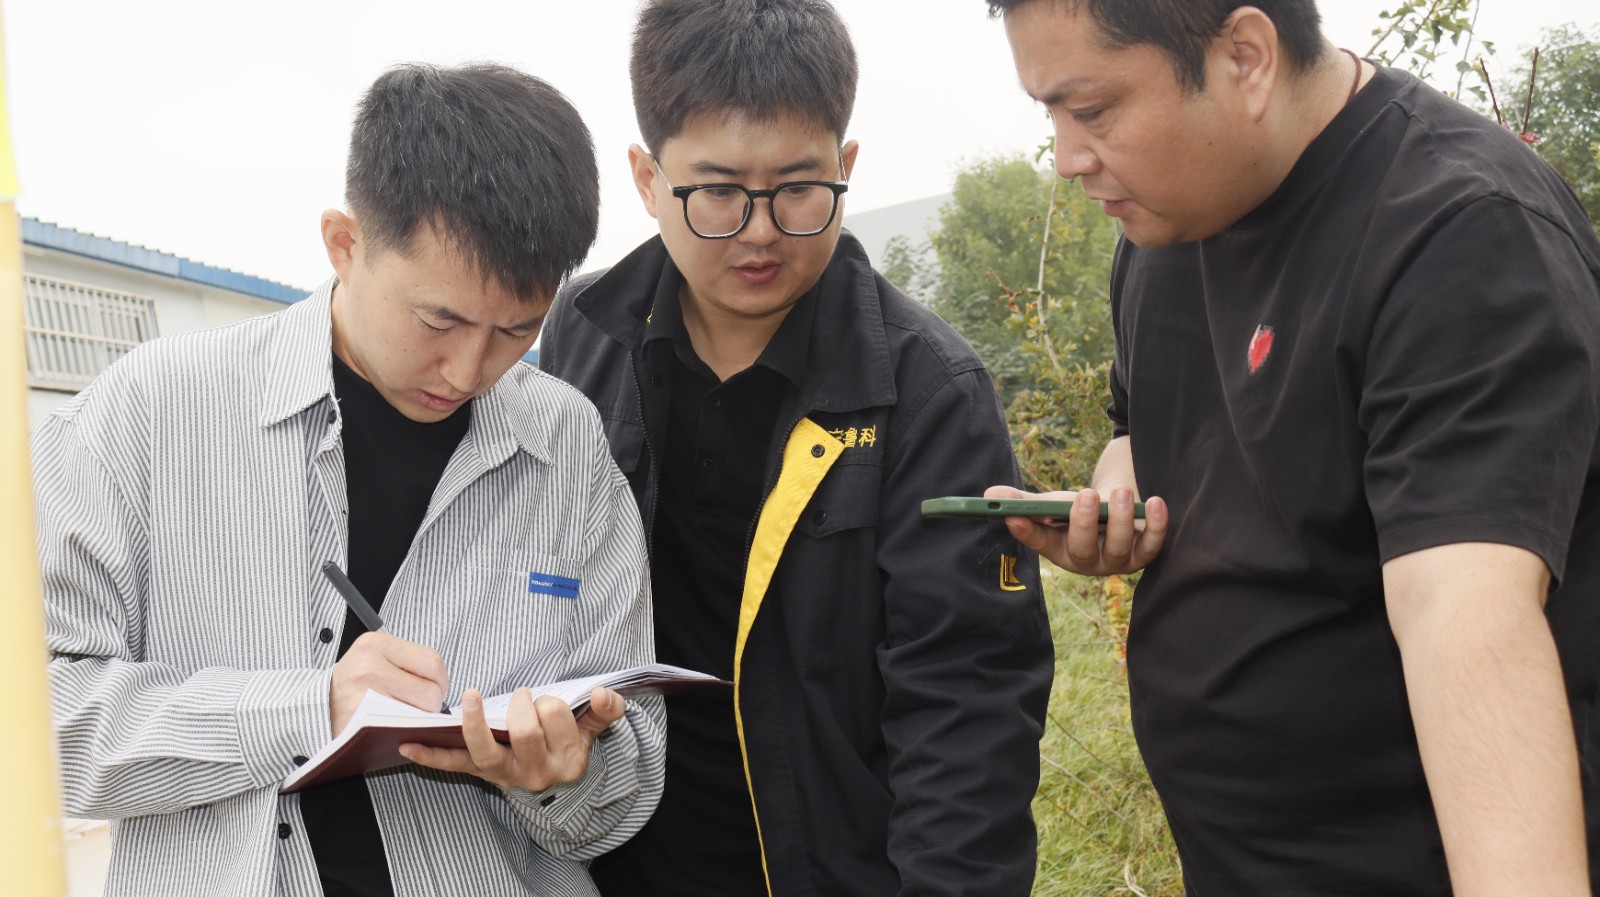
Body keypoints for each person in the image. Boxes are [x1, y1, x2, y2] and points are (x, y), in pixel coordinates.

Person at [980, 0, 1600, 893]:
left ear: (1245, 56)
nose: (1068, 157)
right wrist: (1116, 499)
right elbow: (1140, 424)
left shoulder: (1460, 231)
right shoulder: (1164, 223)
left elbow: (1466, 610)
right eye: (1050, 113)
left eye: (1093, 110)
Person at [34, 63, 665, 897]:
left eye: (516, 330)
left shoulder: (568, 445)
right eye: (439, 319)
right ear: (345, 242)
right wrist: (311, 707)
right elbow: (38, 732)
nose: (469, 369)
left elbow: (627, 784)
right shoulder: (146, 413)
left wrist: (564, 774)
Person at [537, 1, 1054, 894]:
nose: (761, 230)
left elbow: (966, 705)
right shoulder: (580, 339)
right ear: (648, 179)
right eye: (718, 191)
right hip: (603, 859)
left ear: (845, 167)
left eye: (798, 187)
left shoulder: (928, 390)